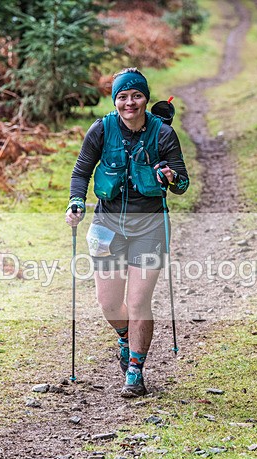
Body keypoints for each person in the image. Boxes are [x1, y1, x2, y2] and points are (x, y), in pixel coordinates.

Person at [65, 68, 190, 397]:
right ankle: (125, 337)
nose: (129, 102)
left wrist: (170, 177)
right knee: (109, 305)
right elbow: (81, 172)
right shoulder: (101, 130)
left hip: (150, 228)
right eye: (122, 97)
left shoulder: (162, 134)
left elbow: (183, 183)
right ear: (115, 100)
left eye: (136, 96)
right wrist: (76, 202)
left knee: (138, 301)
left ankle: (135, 369)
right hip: (107, 227)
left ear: (145, 99)